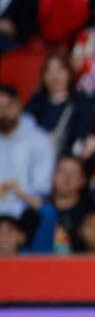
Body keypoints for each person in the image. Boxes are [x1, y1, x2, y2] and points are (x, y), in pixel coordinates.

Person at [0, 86, 55, 219]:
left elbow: (43, 187)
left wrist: (16, 191)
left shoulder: (39, 139)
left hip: (27, 214)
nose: (4, 112)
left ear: (19, 105)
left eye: (9, 106)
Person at [25, 55, 95, 155]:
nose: (54, 76)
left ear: (69, 74)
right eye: (49, 71)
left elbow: (81, 134)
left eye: (59, 70)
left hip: (67, 156)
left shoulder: (81, 102)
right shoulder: (36, 101)